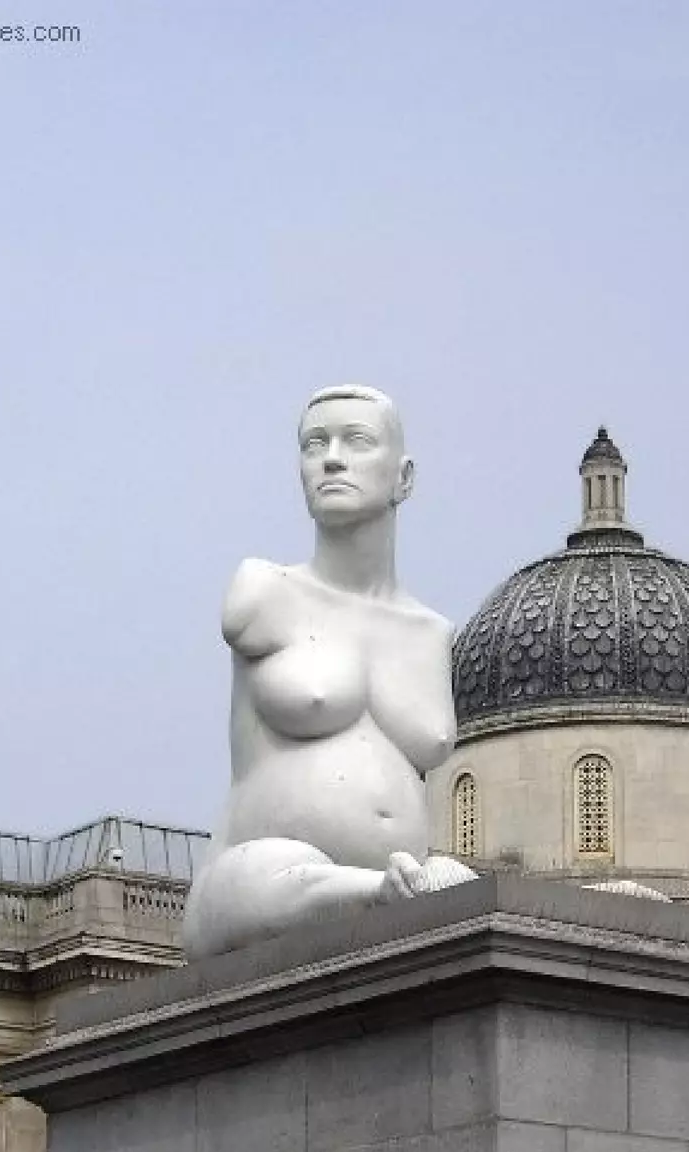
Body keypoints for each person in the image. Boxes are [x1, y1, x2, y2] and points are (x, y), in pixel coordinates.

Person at [181, 385, 476, 958]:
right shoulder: (264, 590)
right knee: (277, 870)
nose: (331, 457)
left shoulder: (433, 633)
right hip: (260, 880)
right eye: (314, 444)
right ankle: (385, 892)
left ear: (405, 478)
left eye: (356, 441)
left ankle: (403, 892)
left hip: (405, 888)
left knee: (442, 879)